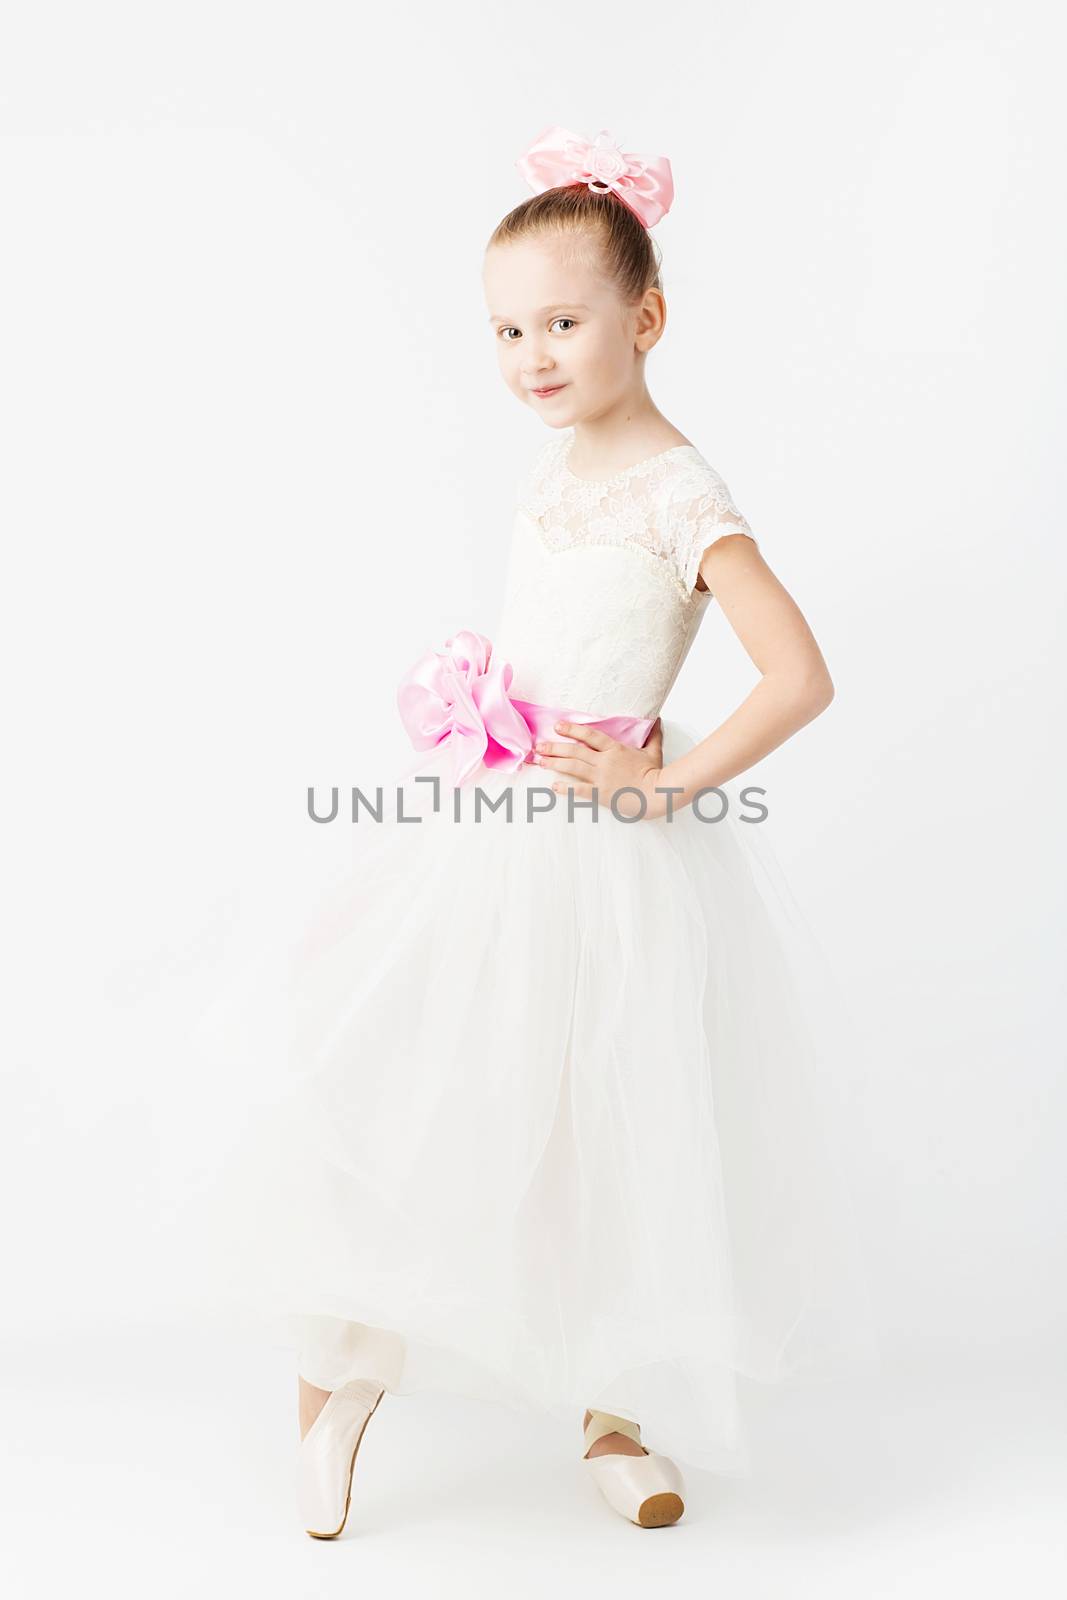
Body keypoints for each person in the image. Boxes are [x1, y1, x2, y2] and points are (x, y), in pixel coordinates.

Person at [252, 124, 878, 1537]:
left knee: (617, 1127)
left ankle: (615, 1412)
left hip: (612, 868)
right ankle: (339, 1373)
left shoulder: (681, 493)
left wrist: (666, 779)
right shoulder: (552, 471)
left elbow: (800, 674)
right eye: (508, 329)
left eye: (564, 321)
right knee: (417, 1085)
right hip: (492, 842)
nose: (533, 353)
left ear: (645, 319)